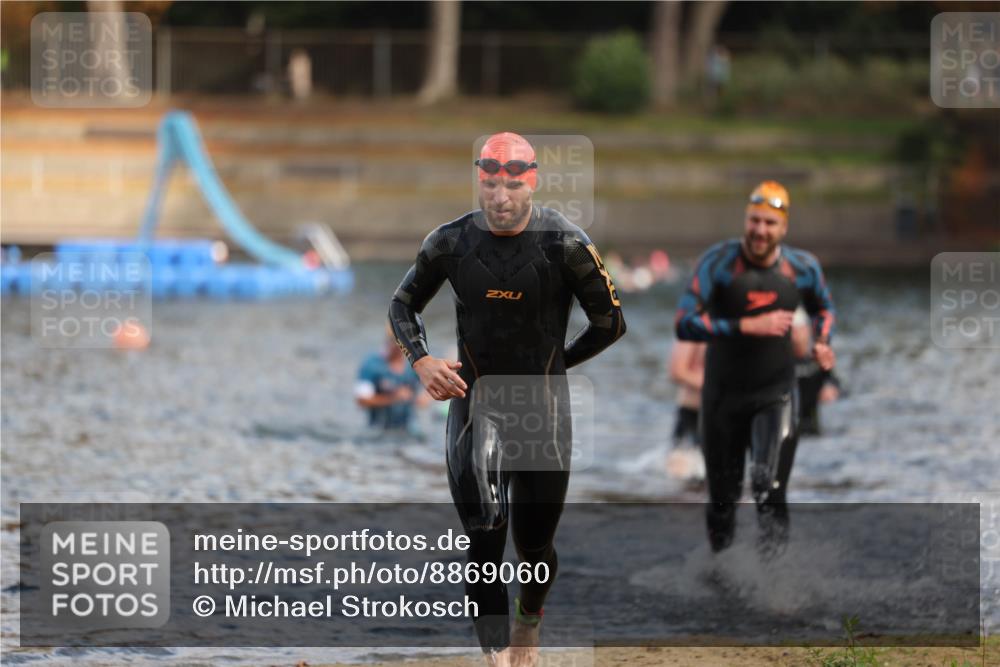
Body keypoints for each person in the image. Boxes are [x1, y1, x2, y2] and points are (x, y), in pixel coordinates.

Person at [389, 132, 626, 667]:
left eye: (512, 184)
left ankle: (529, 622)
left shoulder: (565, 243)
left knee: (535, 549)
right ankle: (497, 659)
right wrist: (421, 359)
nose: (500, 196)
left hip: (545, 414)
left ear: (532, 181)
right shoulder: (449, 243)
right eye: (490, 183)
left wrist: (557, 365)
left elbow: (611, 322)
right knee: (485, 532)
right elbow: (404, 305)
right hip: (476, 407)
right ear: (480, 178)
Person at [675, 181, 835, 554]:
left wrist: (823, 342)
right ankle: (722, 573)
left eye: (769, 223)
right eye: (754, 221)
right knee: (721, 501)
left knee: (770, 489)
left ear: (784, 228)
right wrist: (744, 326)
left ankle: (773, 583)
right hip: (721, 399)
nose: (760, 231)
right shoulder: (718, 263)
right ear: (745, 220)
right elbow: (684, 322)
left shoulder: (802, 268)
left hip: (774, 394)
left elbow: (824, 309)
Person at [355, 324, 428, 435]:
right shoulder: (371, 365)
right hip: (377, 431)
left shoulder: (414, 365)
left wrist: (424, 398)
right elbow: (362, 400)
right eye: (394, 341)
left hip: (408, 430)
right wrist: (393, 398)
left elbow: (430, 387)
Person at [792, 308, 841, 436]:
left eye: (799, 330)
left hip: (813, 423)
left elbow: (832, 379)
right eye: (792, 331)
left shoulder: (817, 355)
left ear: (807, 331)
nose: (796, 336)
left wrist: (830, 387)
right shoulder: (780, 359)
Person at [666, 340, 707, 483]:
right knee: (683, 481)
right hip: (692, 413)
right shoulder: (694, 324)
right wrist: (714, 385)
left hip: (723, 417)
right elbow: (676, 371)